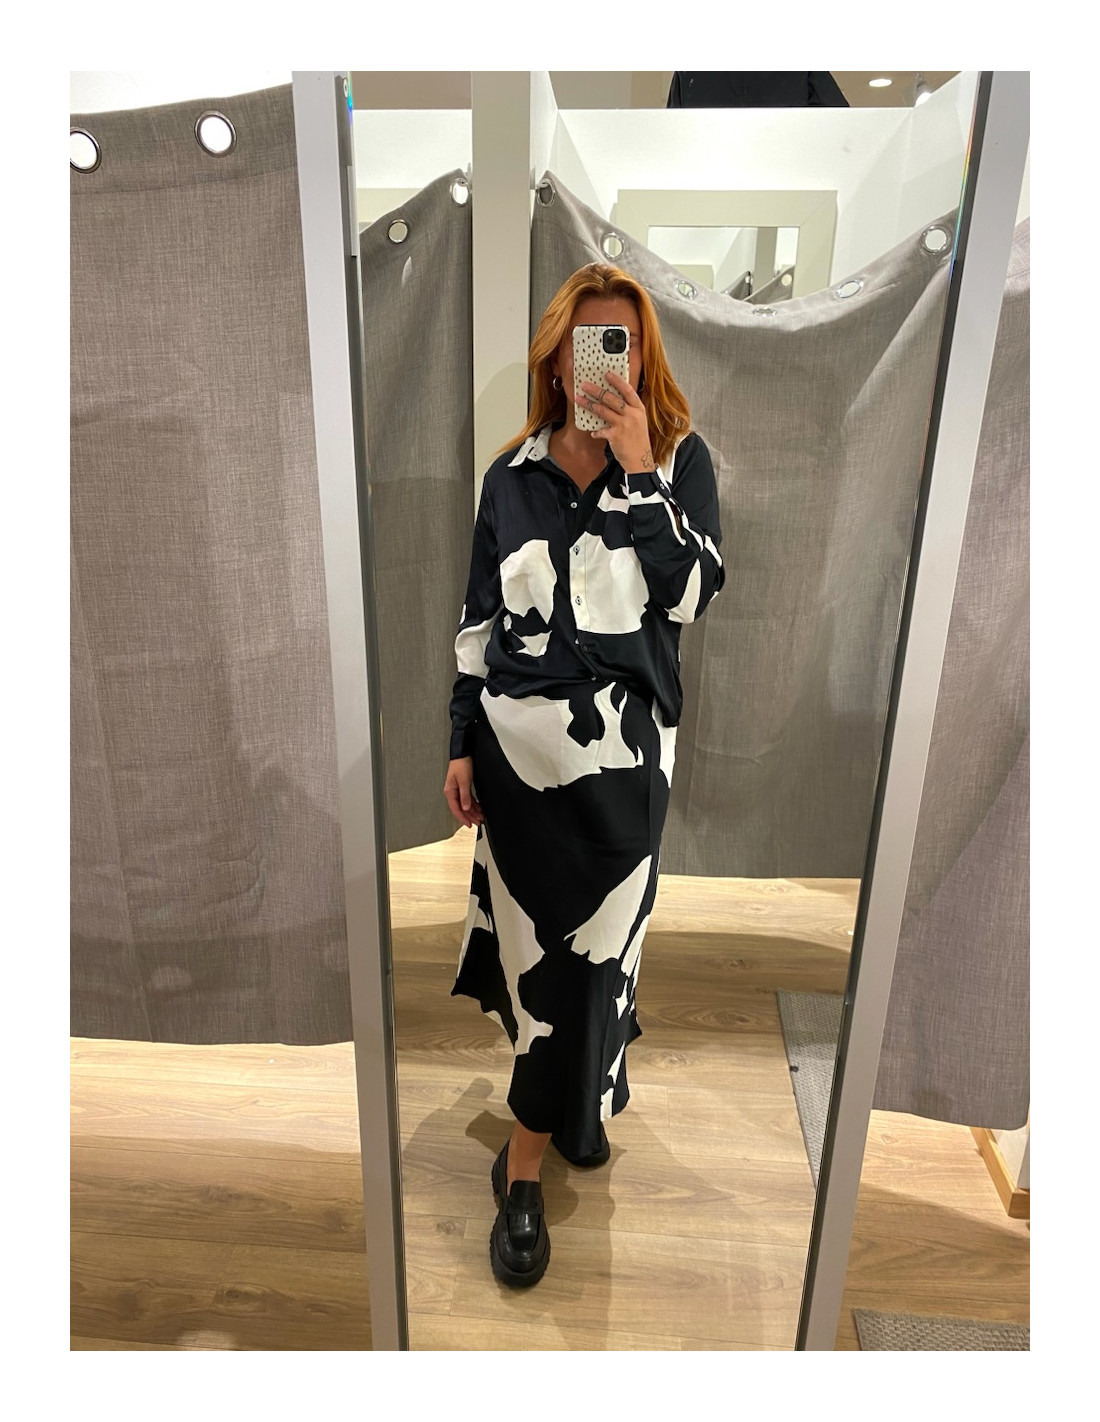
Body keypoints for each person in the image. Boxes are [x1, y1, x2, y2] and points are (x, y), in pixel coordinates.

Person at [442, 263, 725, 1288]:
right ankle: (532, 1157)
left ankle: (560, 1116)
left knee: (603, 957)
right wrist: (459, 740)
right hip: (516, 773)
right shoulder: (509, 478)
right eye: (587, 344)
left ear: (641, 361)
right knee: (543, 967)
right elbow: (478, 626)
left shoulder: (680, 462)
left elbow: (691, 594)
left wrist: (639, 468)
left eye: (624, 344)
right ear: (556, 361)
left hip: (622, 773)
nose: (606, 362)